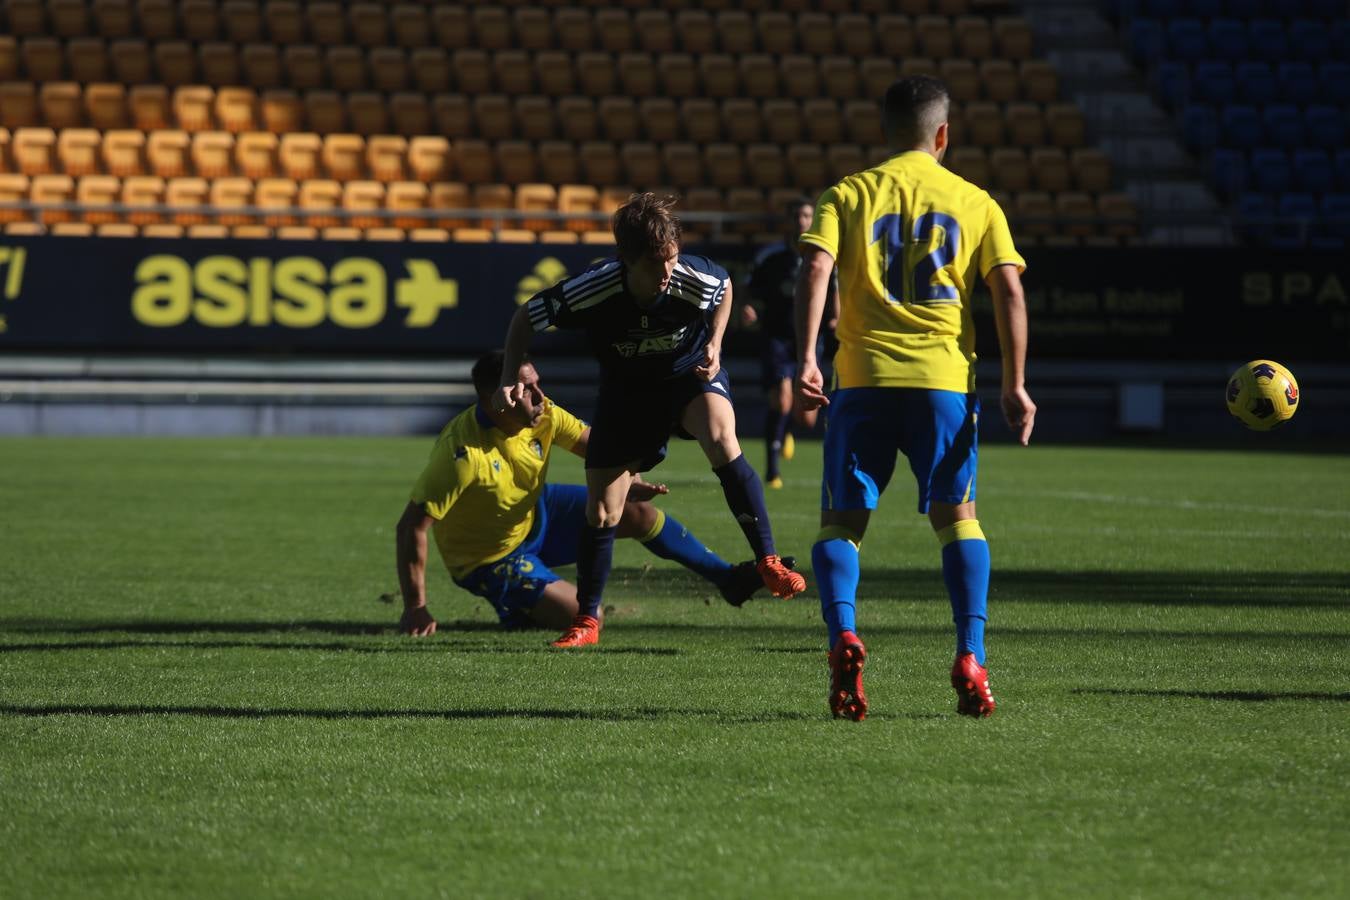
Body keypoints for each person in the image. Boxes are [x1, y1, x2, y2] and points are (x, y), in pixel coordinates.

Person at [793, 75, 1036, 721]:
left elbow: (816, 268)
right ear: (944, 134)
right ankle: (970, 654)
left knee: (842, 524)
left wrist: (806, 357)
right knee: (958, 519)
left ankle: (843, 634)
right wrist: (1014, 383)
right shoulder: (975, 200)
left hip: (862, 378)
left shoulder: (849, 192)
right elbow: (1009, 291)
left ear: (884, 131)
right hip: (944, 385)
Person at [495, 192, 806, 648]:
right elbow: (526, 318)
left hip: (687, 378)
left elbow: (724, 292)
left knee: (722, 435)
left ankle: (768, 560)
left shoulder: (689, 277)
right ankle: (587, 620)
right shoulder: (594, 289)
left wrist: (716, 344)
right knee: (603, 510)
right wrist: (510, 373)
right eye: (655, 264)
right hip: (627, 394)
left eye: (672, 259)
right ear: (626, 259)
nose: (667, 273)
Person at [395, 351, 781, 636]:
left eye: (537, 382)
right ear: (498, 398)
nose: (540, 395)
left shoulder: (544, 414)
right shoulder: (463, 454)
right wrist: (416, 608)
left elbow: (602, 450)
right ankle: (515, 608)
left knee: (635, 514)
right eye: (527, 388)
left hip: (533, 513)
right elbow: (412, 525)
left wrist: (626, 480)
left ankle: (727, 578)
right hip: (487, 557)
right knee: (585, 613)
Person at [742, 197, 840, 489]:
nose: (802, 221)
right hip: (777, 337)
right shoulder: (770, 257)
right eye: (797, 215)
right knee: (782, 399)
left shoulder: (822, 253)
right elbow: (746, 289)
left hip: (810, 339)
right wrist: (747, 307)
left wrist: (836, 317)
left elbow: (834, 287)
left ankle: (785, 431)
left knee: (807, 418)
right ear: (789, 220)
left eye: (807, 215)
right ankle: (772, 472)